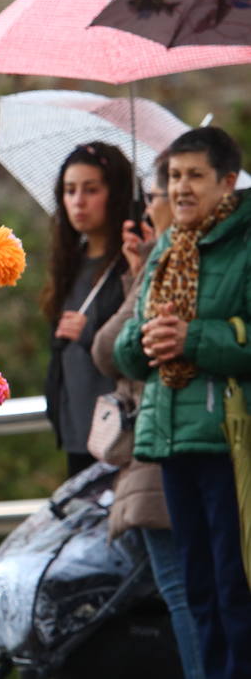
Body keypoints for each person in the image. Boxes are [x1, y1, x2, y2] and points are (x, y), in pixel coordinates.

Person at [114, 127, 251, 679]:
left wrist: (191, 338)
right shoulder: (168, 248)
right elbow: (125, 352)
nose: (181, 188)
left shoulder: (244, 244)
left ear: (228, 181)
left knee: (233, 591)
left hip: (226, 441)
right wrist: (147, 338)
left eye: (195, 176)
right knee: (198, 595)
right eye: (173, 177)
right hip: (168, 440)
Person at [91, 152, 204, 679]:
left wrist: (142, 278)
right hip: (160, 445)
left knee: (184, 591)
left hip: (159, 446)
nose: (153, 202)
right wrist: (137, 273)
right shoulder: (158, 261)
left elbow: (109, 348)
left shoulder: (173, 260)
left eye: (154, 194)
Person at [41, 142, 133, 478]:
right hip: (76, 431)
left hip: (120, 432)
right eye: (69, 190)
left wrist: (90, 332)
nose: (78, 201)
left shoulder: (131, 264)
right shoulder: (69, 264)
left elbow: (137, 344)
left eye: (91, 189)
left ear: (116, 192)